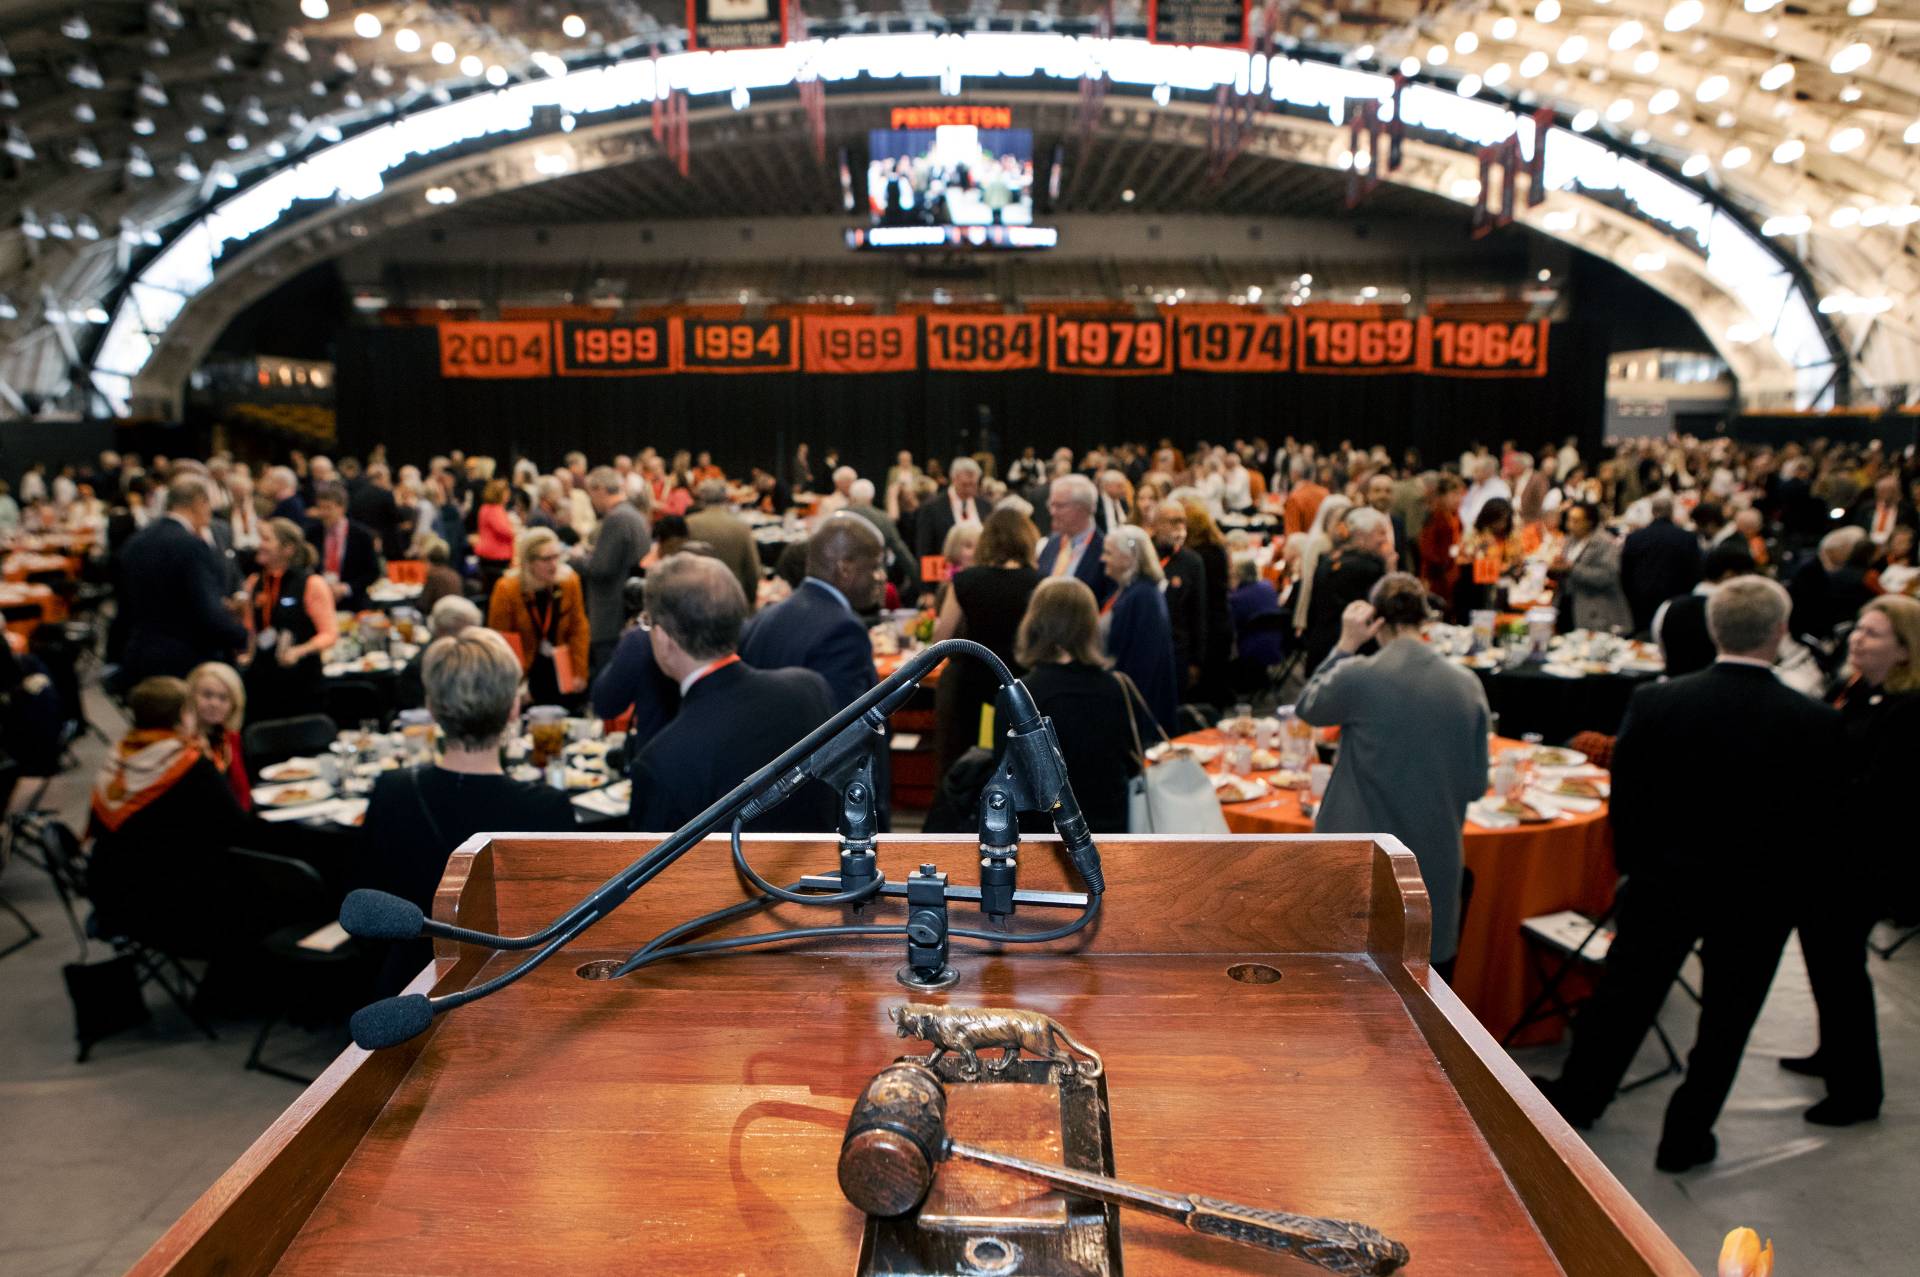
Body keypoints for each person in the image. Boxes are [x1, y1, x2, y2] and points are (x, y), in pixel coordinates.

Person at [1535, 576, 1844, 1172]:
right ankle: (1687, 1133)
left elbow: (1628, 801)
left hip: (1665, 880)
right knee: (1727, 1019)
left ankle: (1579, 1099)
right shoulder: (1812, 722)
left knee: (1625, 996)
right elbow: (1817, 825)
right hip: (1760, 895)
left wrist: (1635, 869)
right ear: (1779, 633)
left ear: (1713, 629)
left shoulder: (1660, 702)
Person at [356, 629, 577, 994]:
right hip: (511, 987)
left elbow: (365, 900)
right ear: (513, 710)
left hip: (411, 987)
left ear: (432, 709)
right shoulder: (546, 808)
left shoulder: (391, 792)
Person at [1296, 575, 1490, 974]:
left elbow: (1308, 706)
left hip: (1359, 866)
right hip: (1432, 865)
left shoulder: (1359, 674)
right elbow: (1474, 785)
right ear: (1425, 622)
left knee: (1345, 986)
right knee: (1426, 998)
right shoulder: (1467, 686)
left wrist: (1345, 645)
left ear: (1376, 622)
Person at [1778, 595, 1920, 1125]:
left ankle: (1858, 1093)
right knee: (1827, 964)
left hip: (1859, 865)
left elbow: (1880, 795)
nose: (1859, 639)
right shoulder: (1857, 688)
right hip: (1830, 855)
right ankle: (1830, 1053)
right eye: (1859, 628)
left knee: (1842, 972)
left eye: (1875, 634)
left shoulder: (1908, 713)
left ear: (1904, 652)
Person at [626, 554, 838, 835]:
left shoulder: (662, 762)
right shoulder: (810, 688)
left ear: (664, 639)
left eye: (647, 622)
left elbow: (650, 874)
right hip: (825, 874)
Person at [86, 676, 251, 942]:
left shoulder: (120, 755)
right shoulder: (186, 764)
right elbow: (237, 828)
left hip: (111, 892)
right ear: (184, 715)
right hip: (167, 903)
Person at [994, 577, 1138, 834]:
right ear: (1089, 627)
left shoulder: (1021, 694)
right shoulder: (1116, 688)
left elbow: (1004, 775)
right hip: (1107, 830)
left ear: (1035, 623)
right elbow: (1128, 763)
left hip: (1040, 836)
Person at [931, 508, 1041, 782]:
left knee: (968, 771)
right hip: (1021, 688)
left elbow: (940, 640)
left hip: (970, 687)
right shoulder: (1039, 583)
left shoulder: (965, 581)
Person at [741, 513, 882, 712]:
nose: (880, 576)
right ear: (845, 569)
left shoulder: (762, 619)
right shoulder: (843, 630)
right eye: (874, 566)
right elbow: (850, 729)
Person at [117, 475, 249, 683]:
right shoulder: (191, 546)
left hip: (141, 654)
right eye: (208, 507)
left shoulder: (136, 542)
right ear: (199, 503)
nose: (209, 515)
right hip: (185, 659)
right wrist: (240, 636)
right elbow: (206, 610)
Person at [241, 517, 339, 725]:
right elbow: (250, 628)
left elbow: (329, 634)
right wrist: (247, 655)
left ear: (287, 548)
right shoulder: (253, 583)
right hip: (262, 683)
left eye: (267, 540)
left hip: (301, 682)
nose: (260, 545)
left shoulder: (311, 583)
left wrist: (299, 651)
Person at [488, 527, 591, 704]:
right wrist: (515, 684)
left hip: (561, 666)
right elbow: (502, 640)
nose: (553, 565)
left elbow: (578, 627)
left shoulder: (569, 581)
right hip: (525, 669)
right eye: (546, 559)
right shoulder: (507, 589)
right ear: (529, 562)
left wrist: (579, 671)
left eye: (556, 557)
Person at [1100, 525, 1179, 734]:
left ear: (1128, 558)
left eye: (1108, 553)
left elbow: (1144, 664)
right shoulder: (1127, 591)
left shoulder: (1144, 596)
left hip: (1140, 711)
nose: (1102, 559)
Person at [579, 467, 652, 678]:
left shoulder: (616, 519)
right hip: (625, 610)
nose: (591, 501)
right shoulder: (633, 515)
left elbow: (600, 569)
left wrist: (578, 560)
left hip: (611, 615)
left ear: (600, 489)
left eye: (591, 494)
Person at [1301, 506, 1393, 674]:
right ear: (1360, 536)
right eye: (1380, 533)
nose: (1385, 539)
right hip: (1353, 651)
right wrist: (1390, 568)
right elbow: (1386, 606)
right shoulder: (1370, 567)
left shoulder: (1327, 559)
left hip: (1321, 646)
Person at [1653, 540, 1755, 678]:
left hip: (1674, 688)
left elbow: (1661, 648)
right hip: (1721, 691)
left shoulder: (1668, 606)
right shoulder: (1737, 612)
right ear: (1730, 575)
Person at [1619, 493, 1703, 636]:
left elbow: (1625, 573)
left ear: (1652, 512)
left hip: (1641, 598)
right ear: (1671, 512)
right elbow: (1695, 572)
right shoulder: (1687, 538)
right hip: (1676, 598)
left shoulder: (1635, 538)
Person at [1548, 501, 1633, 634]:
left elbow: (1608, 577)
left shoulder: (1605, 543)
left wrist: (1572, 569)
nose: (1570, 525)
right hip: (1566, 604)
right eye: (1569, 520)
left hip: (1594, 610)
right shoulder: (1570, 540)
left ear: (1589, 522)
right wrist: (1555, 569)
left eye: (1575, 521)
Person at [1150, 500, 1206, 695]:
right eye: (1173, 522)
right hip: (1146, 649)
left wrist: (1195, 662)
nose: (1180, 528)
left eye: (1183, 522)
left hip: (1177, 653)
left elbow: (1198, 613)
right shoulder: (1144, 555)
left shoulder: (1192, 562)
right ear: (1155, 524)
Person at [1788, 525, 1874, 645]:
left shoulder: (1832, 569)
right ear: (1841, 548)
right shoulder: (1810, 569)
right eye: (1852, 551)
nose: (1851, 556)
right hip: (1804, 633)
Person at [1036, 474, 1113, 606]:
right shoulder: (1051, 544)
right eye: (1051, 505)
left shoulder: (1105, 551)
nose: (1052, 512)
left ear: (1084, 508)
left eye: (1059, 506)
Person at [396, 595, 481, 713]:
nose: (474, 638)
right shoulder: (419, 667)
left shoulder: (470, 657)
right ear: (444, 632)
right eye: (468, 633)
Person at [305, 481, 382, 609]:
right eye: (320, 508)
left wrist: (346, 588)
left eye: (328, 508)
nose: (323, 513)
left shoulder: (362, 535)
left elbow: (373, 572)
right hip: (319, 599)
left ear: (342, 508)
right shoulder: (312, 533)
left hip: (353, 602)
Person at [186, 661, 251, 812]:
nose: (214, 703)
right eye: (207, 695)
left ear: (234, 704)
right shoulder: (183, 744)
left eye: (223, 698)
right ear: (191, 697)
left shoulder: (231, 739)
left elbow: (242, 795)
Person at [684, 479, 761, 605]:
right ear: (726, 498)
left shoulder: (688, 524)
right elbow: (753, 571)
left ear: (701, 498)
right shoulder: (741, 527)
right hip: (732, 599)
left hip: (696, 599)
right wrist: (750, 601)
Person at [846, 478, 916, 596]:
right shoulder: (883, 519)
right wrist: (924, 587)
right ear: (871, 497)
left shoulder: (838, 517)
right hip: (876, 585)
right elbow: (902, 553)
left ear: (852, 496)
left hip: (845, 583)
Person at [915, 456, 984, 559]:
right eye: (965, 484)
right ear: (954, 479)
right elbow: (924, 551)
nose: (970, 488)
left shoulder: (985, 506)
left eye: (973, 484)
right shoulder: (931, 508)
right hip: (945, 571)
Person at [474, 477, 517, 599]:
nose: (508, 495)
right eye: (506, 492)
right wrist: (515, 530)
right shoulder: (495, 509)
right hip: (496, 557)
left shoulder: (485, 508)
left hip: (487, 556)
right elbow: (505, 531)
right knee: (496, 592)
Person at [348, 462, 401, 557]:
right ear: (380, 477)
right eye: (387, 476)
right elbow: (394, 519)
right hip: (384, 543)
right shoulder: (386, 495)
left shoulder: (356, 495)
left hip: (360, 541)